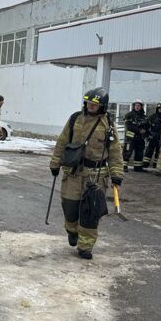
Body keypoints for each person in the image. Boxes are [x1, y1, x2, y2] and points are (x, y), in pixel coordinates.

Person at [50, 87, 124, 260]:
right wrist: (55, 163)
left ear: (102, 106)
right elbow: (62, 142)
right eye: (89, 103)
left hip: (96, 176)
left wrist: (117, 175)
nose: (91, 106)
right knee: (70, 209)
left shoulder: (108, 124)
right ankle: (72, 231)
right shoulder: (75, 119)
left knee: (91, 213)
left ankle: (85, 246)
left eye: (95, 104)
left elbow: (115, 152)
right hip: (73, 174)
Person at [123, 100, 148, 172]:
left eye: (139, 105)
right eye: (136, 105)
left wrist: (145, 132)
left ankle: (138, 168)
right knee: (127, 152)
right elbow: (129, 126)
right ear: (133, 106)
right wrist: (139, 130)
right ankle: (124, 166)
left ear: (141, 106)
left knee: (139, 153)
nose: (137, 107)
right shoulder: (129, 115)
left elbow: (147, 126)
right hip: (130, 138)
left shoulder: (144, 116)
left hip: (140, 138)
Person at [143, 103, 161, 168]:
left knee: (159, 151)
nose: (160, 110)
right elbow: (146, 125)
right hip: (152, 136)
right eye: (159, 108)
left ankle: (156, 164)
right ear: (157, 109)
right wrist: (147, 135)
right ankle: (145, 163)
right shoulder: (153, 116)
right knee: (149, 150)